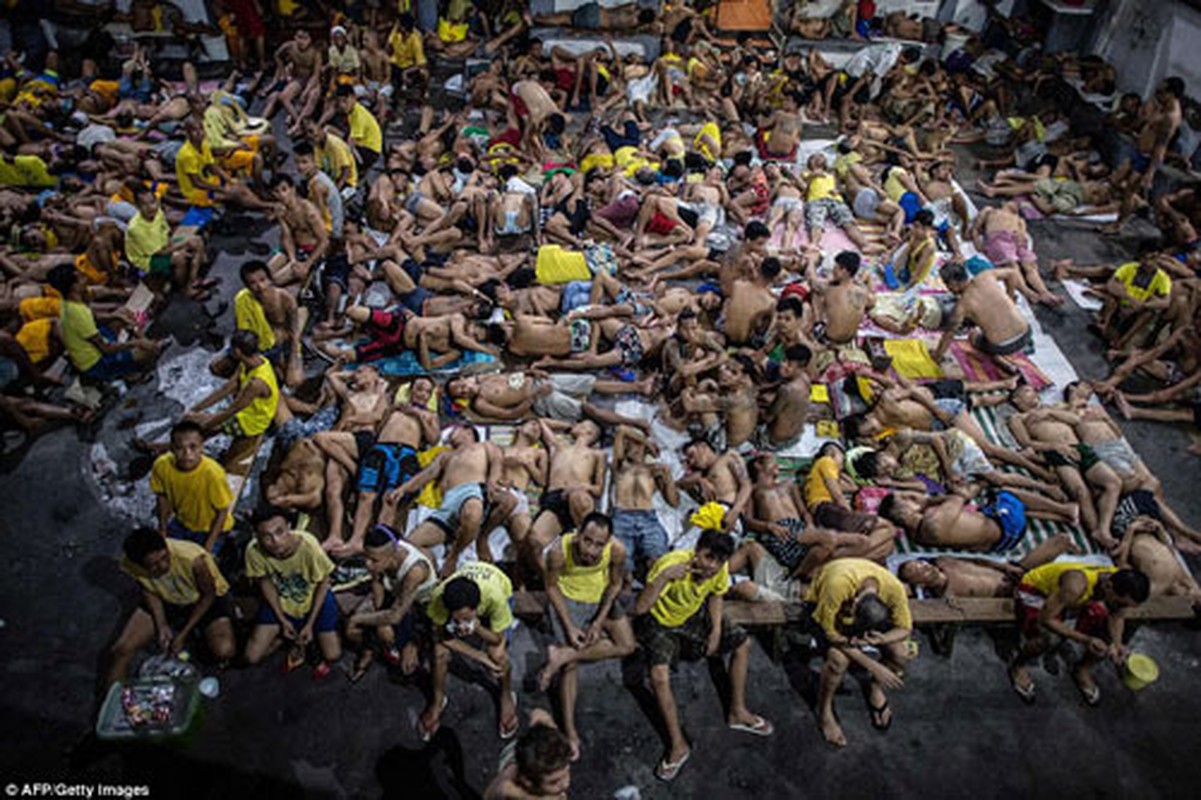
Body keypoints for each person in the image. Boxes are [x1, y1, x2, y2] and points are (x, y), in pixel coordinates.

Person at [633, 529, 773, 781]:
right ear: (697, 550)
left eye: (719, 561)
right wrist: (664, 578)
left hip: (691, 615)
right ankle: (678, 744)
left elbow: (716, 594)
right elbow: (641, 608)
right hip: (660, 622)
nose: (712, 566)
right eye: (708, 557)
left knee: (743, 643)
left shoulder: (717, 569)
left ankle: (737, 711)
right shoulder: (671, 565)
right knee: (659, 677)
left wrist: (716, 630)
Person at [538, 512, 635, 760]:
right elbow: (550, 587)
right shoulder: (559, 552)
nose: (591, 550)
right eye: (587, 541)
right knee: (570, 668)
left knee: (627, 645)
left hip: (600, 598)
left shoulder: (617, 551)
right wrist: (569, 625)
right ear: (578, 535)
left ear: (608, 541)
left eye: (599, 544)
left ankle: (562, 655)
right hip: (569, 598)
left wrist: (599, 621)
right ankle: (570, 731)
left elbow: (614, 585)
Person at [105, 527, 236, 686]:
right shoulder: (129, 564)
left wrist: (183, 633)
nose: (163, 566)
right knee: (121, 651)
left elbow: (208, 595)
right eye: (153, 565)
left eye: (165, 557)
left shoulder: (192, 559)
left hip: (201, 600)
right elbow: (148, 589)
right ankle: (117, 703)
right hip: (166, 599)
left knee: (224, 650)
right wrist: (161, 625)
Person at [1008, 562, 1151, 706]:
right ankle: (1018, 665)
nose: (1122, 607)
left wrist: (1117, 644)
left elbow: (1117, 615)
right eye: (1121, 603)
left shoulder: (1118, 582)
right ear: (1108, 587)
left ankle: (1082, 669)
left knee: (1105, 634)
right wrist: (1086, 639)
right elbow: (1045, 619)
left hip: (1066, 598)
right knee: (1048, 637)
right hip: (1037, 592)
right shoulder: (1076, 585)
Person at [807, 557, 914, 747]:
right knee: (837, 661)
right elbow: (830, 635)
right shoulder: (837, 586)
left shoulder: (894, 589)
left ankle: (874, 687)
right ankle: (824, 711)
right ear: (854, 603)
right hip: (825, 612)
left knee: (901, 653)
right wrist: (872, 665)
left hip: (864, 622)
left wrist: (882, 639)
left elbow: (904, 628)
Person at [420, 561, 519, 741]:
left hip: (502, 586)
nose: (460, 623)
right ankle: (437, 700)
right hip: (467, 590)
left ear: (476, 608)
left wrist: (478, 628)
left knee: (499, 657)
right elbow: (440, 636)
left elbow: (497, 638)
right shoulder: (439, 597)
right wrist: (480, 657)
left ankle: (506, 695)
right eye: (456, 619)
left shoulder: (495, 597)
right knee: (438, 653)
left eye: (465, 618)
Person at [243, 506, 341, 679]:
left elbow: (323, 583)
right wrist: (282, 619)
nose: (276, 541)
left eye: (280, 532)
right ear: (257, 536)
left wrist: (310, 624)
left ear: (289, 526)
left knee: (332, 654)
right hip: (283, 600)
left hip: (313, 598)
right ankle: (288, 638)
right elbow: (265, 584)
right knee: (251, 657)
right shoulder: (253, 551)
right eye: (266, 536)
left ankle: (304, 637)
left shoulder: (308, 546)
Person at [346, 520, 437, 681]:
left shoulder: (415, 570)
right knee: (358, 630)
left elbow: (395, 615)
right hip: (396, 597)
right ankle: (372, 648)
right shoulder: (381, 557)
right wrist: (378, 612)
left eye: (373, 560)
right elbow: (377, 582)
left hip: (420, 607)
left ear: (393, 553)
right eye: (366, 557)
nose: (368, 564)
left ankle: (414, 645)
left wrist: (359, 619)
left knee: (406, 667)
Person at [150, 420, 234, 555]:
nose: (187, 453)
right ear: (171, 448)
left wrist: (208, 545)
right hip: (182, 522)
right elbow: (162, 496)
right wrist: (162, 529)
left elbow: (222, 511)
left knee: (200, 564)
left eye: (193, 447)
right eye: (179, 448)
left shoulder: (213, 474)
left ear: (202, 447)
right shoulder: (161, 466)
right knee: (165, 555)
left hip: (209, 529)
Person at [484, 710, 573, 800]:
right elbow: (491, 794)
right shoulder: (513, 776)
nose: (566, 784)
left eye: (567, 773)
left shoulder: (554, 759)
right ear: (528, 782)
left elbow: (539, 713)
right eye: (554, 782)